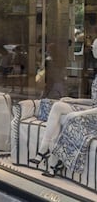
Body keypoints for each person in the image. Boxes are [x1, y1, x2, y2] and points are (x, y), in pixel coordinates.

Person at [29, 38, 97, 177]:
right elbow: (94, 101)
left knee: (69, 119)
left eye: (95, 46)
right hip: (93, 111)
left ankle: (54, 163)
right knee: (58, 106)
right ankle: (44, 148)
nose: (92, 48)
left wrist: (77, 114)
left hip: (95, 117)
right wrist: (74, 100)